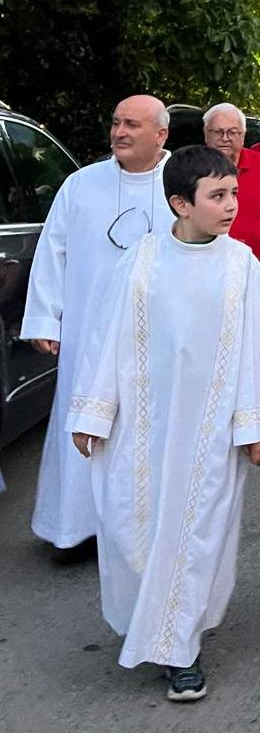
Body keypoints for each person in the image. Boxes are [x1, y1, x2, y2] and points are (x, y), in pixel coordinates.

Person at [68, 145, 260, 702]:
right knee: (133, 529)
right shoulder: (138, 261)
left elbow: (259, 348)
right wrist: (93, 412)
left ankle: (179, 650)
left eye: (233, 193)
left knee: (197, 535)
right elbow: (105, 337)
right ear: (180, 204)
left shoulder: (241, 266)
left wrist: (257, 425)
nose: (232, 205)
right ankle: (155, 625)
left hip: (209, 435)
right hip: (141, 428)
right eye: (218, 196)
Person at [22, 95, 173, 562]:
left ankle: (141, 533)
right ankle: (74, 529)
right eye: (116, 122)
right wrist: (46, 318)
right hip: (89, 328)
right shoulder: (81, 184)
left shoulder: (182, 186)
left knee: (148, 429)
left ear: (161, 134)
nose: (120, 132)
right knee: (84, 421)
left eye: (132, 124)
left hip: (159, 335)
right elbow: (53, 251)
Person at [203, 103, 260, 264]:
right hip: (206, 265)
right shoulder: (192, 167)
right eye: (218, 132)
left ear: (243, 135)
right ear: (206, 133)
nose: (225, 138)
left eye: (232, 132)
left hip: (258, 266)